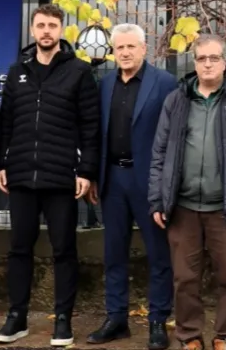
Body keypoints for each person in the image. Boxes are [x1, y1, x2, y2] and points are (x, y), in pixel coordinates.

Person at [149, 35, 226, 350]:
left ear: (225, 62)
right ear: (194, 62)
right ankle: (189, 335)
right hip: (183, 207)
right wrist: (158, 200)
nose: (207, 64)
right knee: (185, 279)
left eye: (214, 58)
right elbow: (159, 153)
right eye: (201, 58)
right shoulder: (176, 100)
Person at [0, 4, 100, 347]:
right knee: (19, 249)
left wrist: (86, 170)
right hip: (22, 174)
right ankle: (17, 317)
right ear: (32, 30)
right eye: (40, 25)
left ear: (61, 30)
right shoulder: (17, 71)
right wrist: (2, 163)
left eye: (52, 25)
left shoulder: (79, 71)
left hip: (61, 177)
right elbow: (6, 122)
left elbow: (90, 125)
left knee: (64, 250)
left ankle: (63, 320)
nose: (46, 31)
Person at [86, 24, 178, 350]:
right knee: (114, 253)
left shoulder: (165, 83)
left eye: (130, 47)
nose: (124, 53)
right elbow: (97, 133)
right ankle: (116, 319)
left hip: (150, 182)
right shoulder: (105, 84)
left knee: (159, 254)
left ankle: (158, 321)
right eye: (119, 47)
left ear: (144, 48)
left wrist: (167, 184)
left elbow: (174, 136)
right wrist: (94, 175)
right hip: (113, 179)